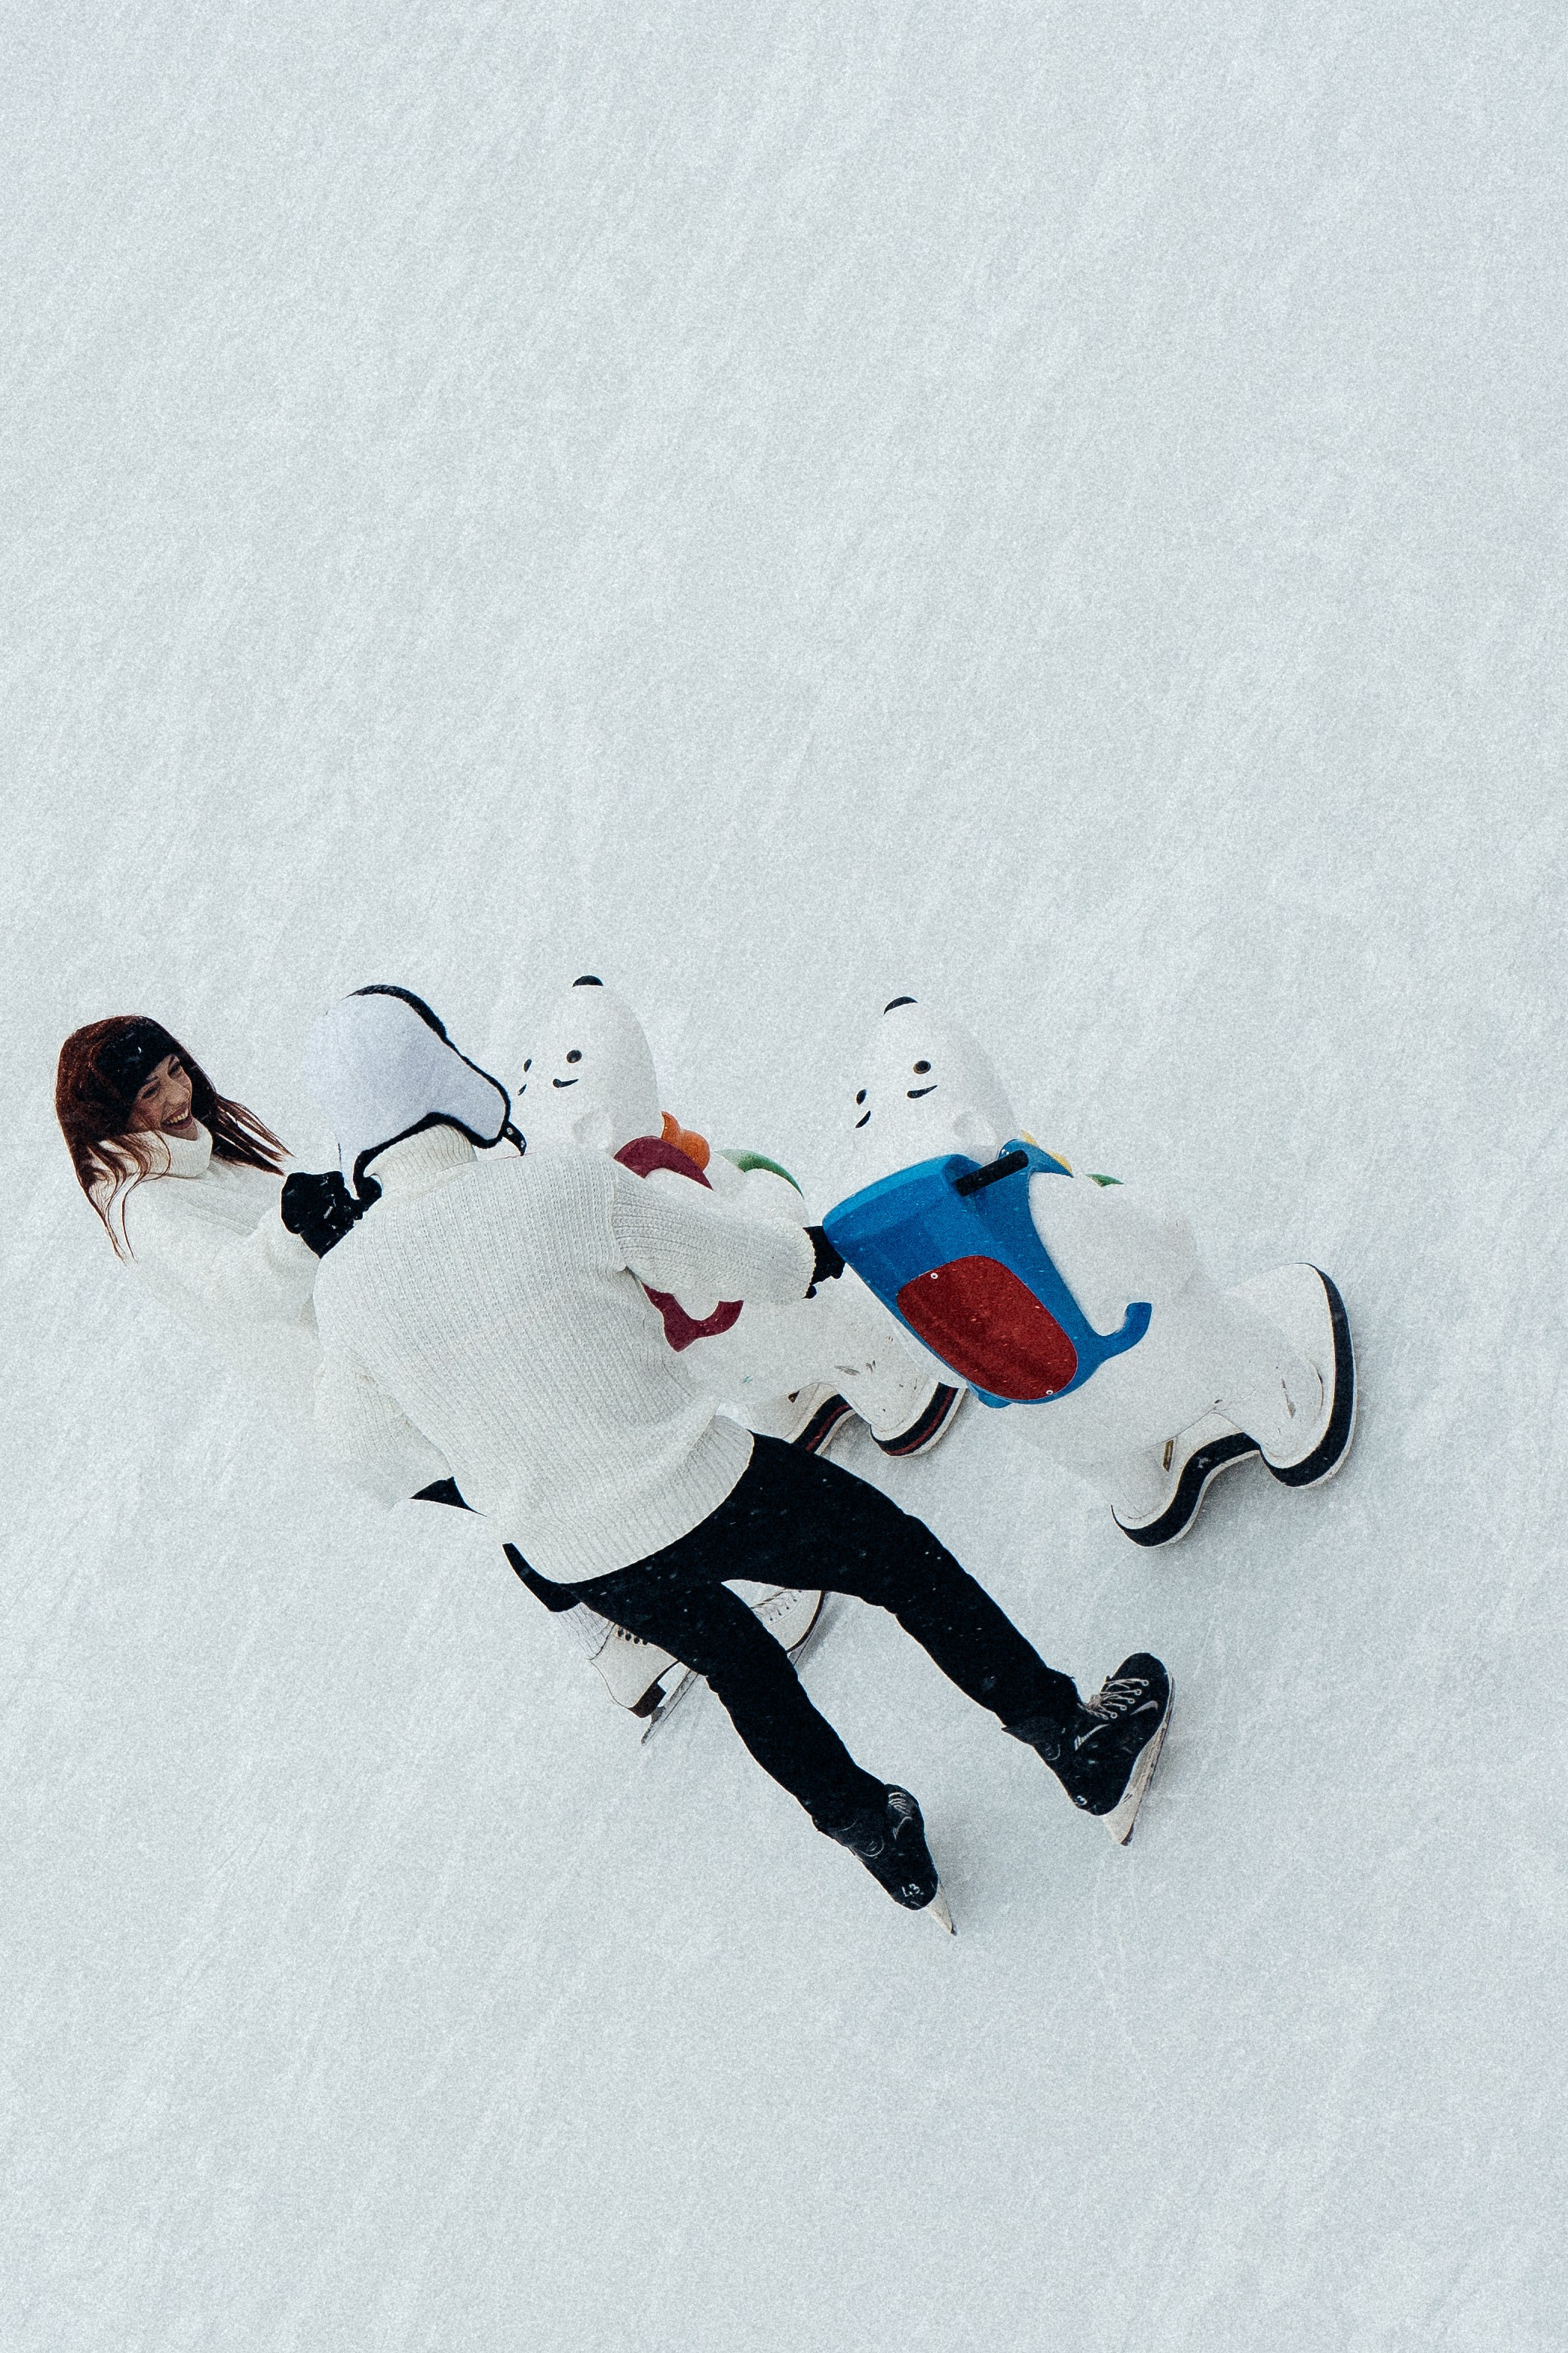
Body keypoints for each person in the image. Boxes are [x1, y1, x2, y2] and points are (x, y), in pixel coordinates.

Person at [304, 985, 1177, 1923]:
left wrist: (499, 1466)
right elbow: (732, 1260)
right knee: (901, 1560)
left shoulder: (346, 1286)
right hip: (700, 1485)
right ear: (444, 1066)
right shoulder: (558, 1184)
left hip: (577, 1553)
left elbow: (357, 1448)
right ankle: (1074, 1740)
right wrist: (809, 1257)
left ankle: (880, 1840)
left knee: (741, 1668)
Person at [824, 997, 1355, 1547]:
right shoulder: (1041, 1200)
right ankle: (1288, 1416)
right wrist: (1119, 1199)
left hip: (1066, 1429)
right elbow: (1166, 1255)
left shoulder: (892, 1272)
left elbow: (943, 1371)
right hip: (1171, 1368)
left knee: (1096, 1444)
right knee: (1210, 1328)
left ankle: (1142, 1495)